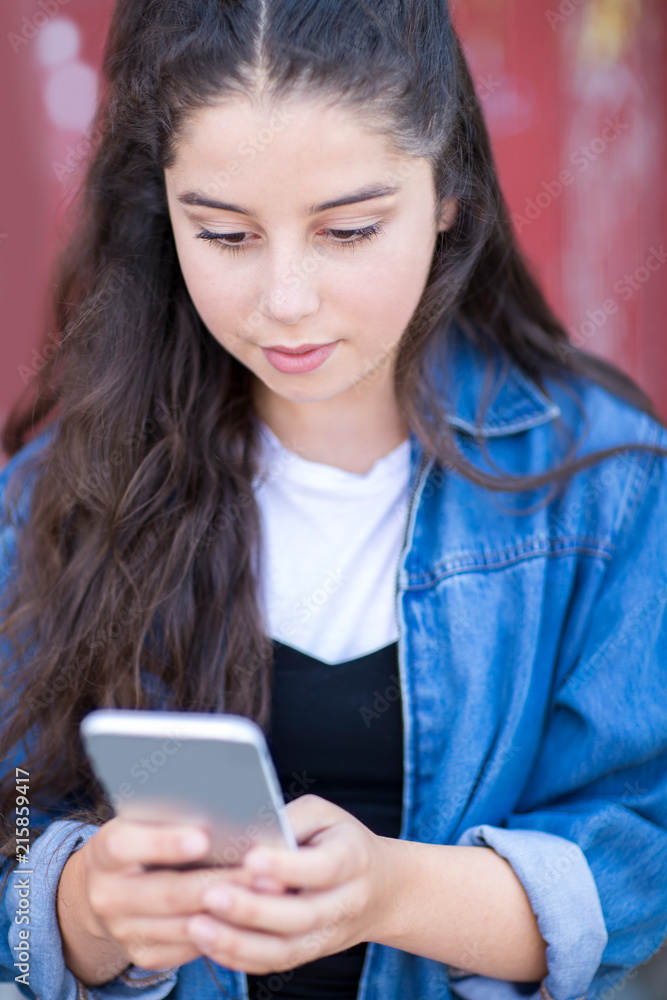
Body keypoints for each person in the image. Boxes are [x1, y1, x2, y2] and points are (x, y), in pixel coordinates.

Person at [1, 1, 667, 999]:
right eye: (223, 233)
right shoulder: (65, 486)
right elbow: (13, 811)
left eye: (347, 229)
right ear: (163, 206)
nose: (286, 299)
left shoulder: (602, 486)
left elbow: (641, 859)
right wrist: (84, 901)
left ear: (447, 191)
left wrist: (390, 891)